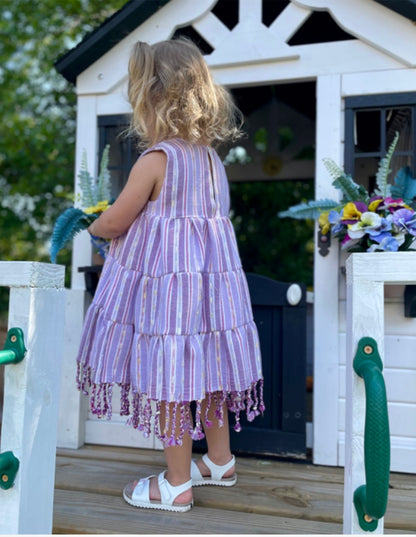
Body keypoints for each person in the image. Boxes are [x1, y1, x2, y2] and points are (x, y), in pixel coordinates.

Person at [76, 37, 264, 513]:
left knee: (171, 379)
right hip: (212, 297)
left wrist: (94, 223)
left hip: (172, 298)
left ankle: (177, 484)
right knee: (213, 374)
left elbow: (118, 220)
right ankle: (219, 461)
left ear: (152, 97)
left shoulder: (156, 160)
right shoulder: (213, 163)